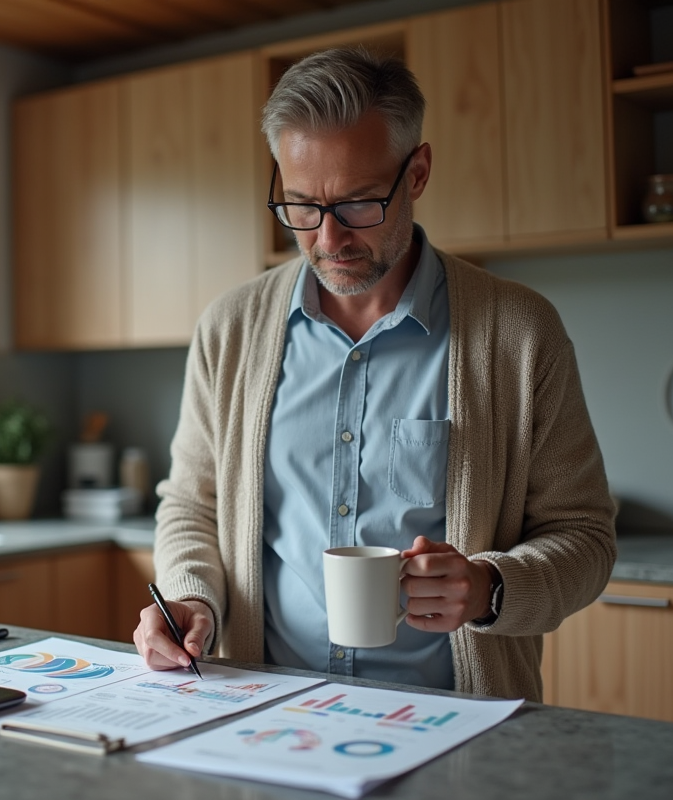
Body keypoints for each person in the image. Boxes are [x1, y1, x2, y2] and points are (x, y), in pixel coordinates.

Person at [132, 47, 616, 702]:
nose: (329, 238)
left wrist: (488, 588)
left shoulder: (521, 335)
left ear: (416, 173)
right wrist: (192, 600)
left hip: (453, 729)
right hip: (270, 718)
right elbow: (193, 504)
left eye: (359, 203)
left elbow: (585, 538)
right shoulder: (230, 330)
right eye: (301, 205)